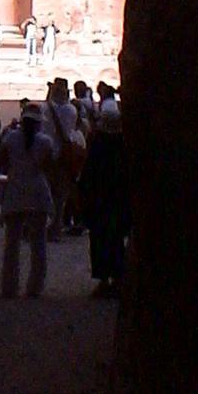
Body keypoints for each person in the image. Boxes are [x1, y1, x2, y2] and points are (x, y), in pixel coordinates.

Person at [0, 100, 56, 297]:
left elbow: (1, 162)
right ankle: (35, 287)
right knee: (38, 243)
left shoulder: (10, 138)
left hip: (15, 190)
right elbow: (49, 167)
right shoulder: (45, 142)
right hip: (38, 191)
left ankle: (9, 286)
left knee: (12, 243)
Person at [77, 101, 131, 296]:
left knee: (100, 241)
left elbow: (88, 174)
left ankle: (104, 279)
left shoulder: (98, 145)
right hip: (118, 200)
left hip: (100, 201)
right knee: (116, 241)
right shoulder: (124, 145)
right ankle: (117, 278)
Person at [43, 76, 85, 238]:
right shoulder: (71, 110)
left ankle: (48, 224)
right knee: (60, 195)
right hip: (64, 154)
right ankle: (56, 226)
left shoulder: (46, 109)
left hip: (50, 153)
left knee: (48, 190)